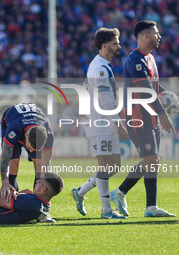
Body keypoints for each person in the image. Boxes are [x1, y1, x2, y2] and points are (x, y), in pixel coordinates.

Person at [110, 20, 179, 217]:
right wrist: (164, 114)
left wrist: (172, 98)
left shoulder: (150, 58)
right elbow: (145, 91)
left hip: (149, 117)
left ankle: (150, 207)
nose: (159, 36)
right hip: (137, 117)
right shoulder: (135, 61)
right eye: (156, 33)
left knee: (153, 161)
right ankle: (119, 192)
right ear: (145, 36)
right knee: (150, 158)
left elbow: (156, 88)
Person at [70, 28, 129, 219]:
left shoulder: (102, 65)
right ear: (105, 46)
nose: (118, 46)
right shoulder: (100, 68)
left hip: (105, 122)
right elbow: (105, 101)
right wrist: (119, 123)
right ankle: (106, 211)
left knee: (114, 166)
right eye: (115, 43)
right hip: (100, 123)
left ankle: (80, 192)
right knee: (105, 166)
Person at [0, 103, 55, 222]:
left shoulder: (48, 133)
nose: (30, 151)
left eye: (35, 150)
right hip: (13, 120)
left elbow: (46, 163)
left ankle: (39, 209)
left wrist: (42, 188)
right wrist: (5, 182)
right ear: (25, 136)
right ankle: (12, 204)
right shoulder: (14, 128)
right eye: (29, 147)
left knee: (39, 165)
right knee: (13, 164)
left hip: (32, 124)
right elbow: (5, 158)